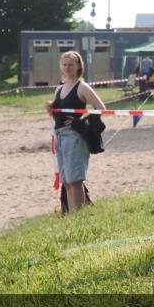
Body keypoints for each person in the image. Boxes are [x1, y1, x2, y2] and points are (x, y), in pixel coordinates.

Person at [45, 51, 107, 213]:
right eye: (64, 64)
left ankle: (78, 217)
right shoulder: (59, 89)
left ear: (79, 66)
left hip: (75, 137)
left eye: (71, 64)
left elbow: (101, 109)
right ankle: (73, 217)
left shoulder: (83, 87)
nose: (67, 67)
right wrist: (51, 108)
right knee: (66, 181)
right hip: (59, 136)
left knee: (75, 180)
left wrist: (81, 122)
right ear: (60, 66)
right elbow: (58, 113)